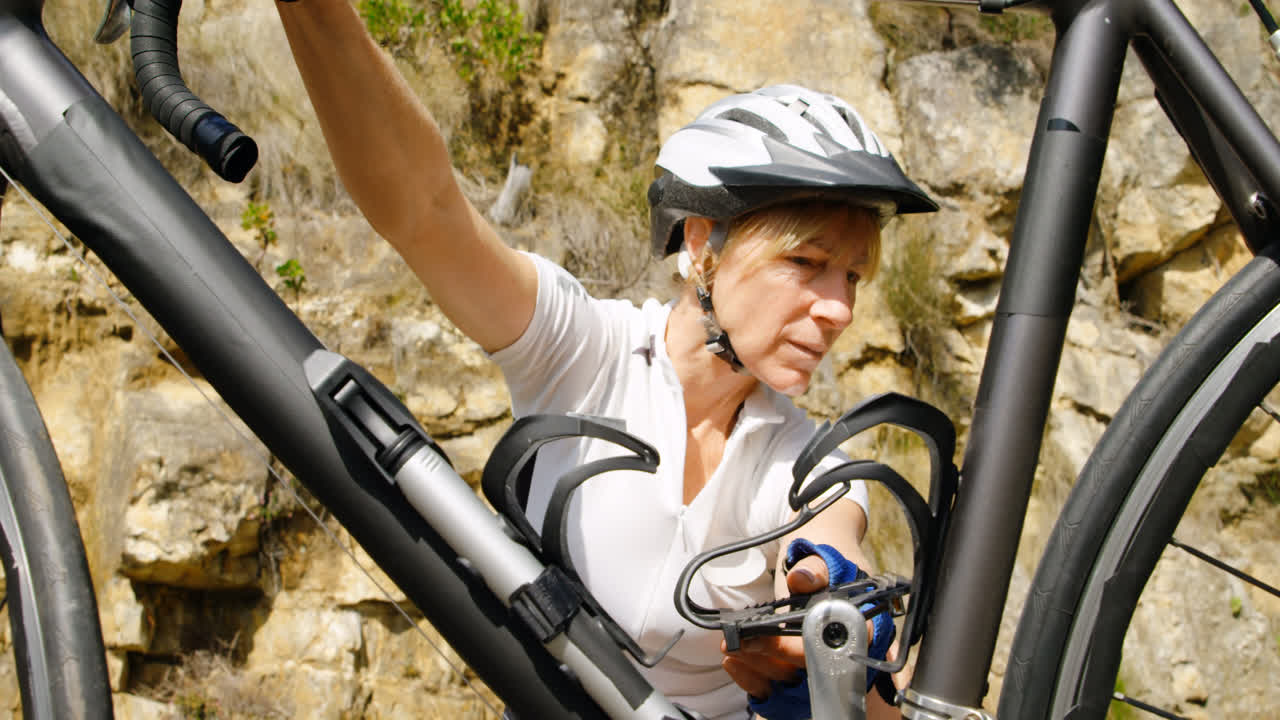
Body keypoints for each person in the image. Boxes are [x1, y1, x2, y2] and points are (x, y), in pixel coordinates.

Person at [276, 2, 937, 718]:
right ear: (700, 243)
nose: (838, 308)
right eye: (807, 262)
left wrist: (828, 613)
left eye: (854, 278)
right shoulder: (585, 350)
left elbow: (831, 546)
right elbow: (425, 210)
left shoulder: (812, 465)